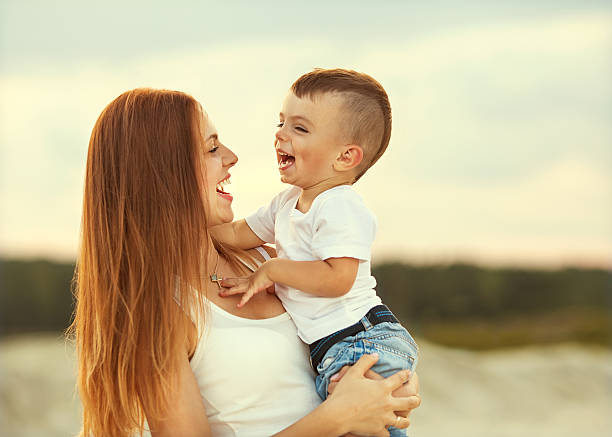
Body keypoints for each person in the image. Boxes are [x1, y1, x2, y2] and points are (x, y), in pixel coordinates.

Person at [69, 87, 421, 437]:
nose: (231, 157)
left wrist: (391, 382)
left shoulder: (266, 258)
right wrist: (335, 419)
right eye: (211, 148)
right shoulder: (159, 313)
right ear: (159, 171)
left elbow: (353, 334)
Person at [212, 69, 418, 436]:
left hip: (361, 339)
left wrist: (273, 270)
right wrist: (182, 220)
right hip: (333, 347)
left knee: (368, 426)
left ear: (345, 157)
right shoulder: (286, 204)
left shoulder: (340, 206)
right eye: (281, 122)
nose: (280, 134)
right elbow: (236, 233)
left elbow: (338, 278)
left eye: (300, 129)